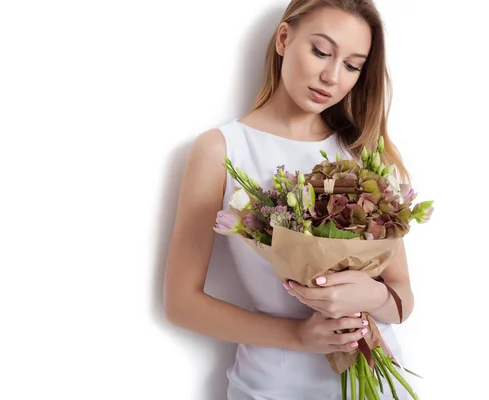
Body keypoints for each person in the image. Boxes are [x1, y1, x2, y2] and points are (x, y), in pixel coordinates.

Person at [163, 0, 415, 398]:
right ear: (284, 38)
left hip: (377, 386)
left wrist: (373, 295)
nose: (331, 77)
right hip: (272, 385)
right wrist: (300, 335)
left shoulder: (361, 153)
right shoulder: (223, 150)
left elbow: (403, 297)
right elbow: (181, 302)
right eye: (320, 51)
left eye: (352, 65)